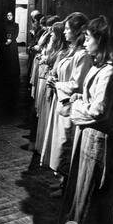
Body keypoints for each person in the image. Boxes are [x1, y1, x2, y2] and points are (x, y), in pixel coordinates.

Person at [59, 16, 113, 224]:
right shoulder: (98, 67)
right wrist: (81, 99)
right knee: (83, 192)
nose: (84, 42)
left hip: (100, 144)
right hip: (90, 140)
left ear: (102, 40)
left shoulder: (108, 72)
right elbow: (94, 103)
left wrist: (75, 107)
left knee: (89, 196)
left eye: (88, 38)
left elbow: (98, 111)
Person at [41, 12, 93, 197]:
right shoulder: (71, 51)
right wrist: (55, 79)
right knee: (60, 143)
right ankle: (63, 182)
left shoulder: (83, 56)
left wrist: (58, 84)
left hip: (70, 105)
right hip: (60, 101)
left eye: (68, 29)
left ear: (78, 31)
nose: (64, 32)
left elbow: (77, 84)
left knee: (66, 143)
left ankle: (68, 186)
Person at [35, 22, 68, 156]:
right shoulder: (56, 49)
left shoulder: (61, 52)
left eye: (54, 32)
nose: (51, 34)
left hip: (52, 86)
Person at [0, 12, 20, 81]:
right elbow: (2, 33)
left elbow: (16, 33)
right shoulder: (3, 25)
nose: (9, 17)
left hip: (12, 43)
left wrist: (11, 40)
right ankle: (5, 73)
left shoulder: (16, 25)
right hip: (5, 43)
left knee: (12, 58)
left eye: (10, 15)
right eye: (8, 15)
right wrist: (6, 39)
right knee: (6, 57)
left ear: (13, 16)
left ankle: (13, 73)